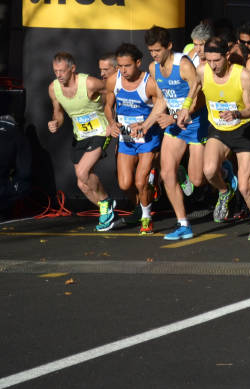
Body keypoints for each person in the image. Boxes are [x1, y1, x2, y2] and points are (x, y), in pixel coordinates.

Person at [191, 36, 250, 240]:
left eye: (217, 60)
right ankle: (224, 191)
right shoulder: (202, 70)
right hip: (219, 129)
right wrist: (184, 110)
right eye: (209, 60)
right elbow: (194, 91)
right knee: (208, 170)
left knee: (245, 186)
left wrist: (237, 113)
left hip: (243, 130)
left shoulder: (243, 75)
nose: (213, 66)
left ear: (226, 57)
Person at [145, 27, 209, 240]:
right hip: (174, 128)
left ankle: (224, 170)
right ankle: (184, 224)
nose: (154, 55)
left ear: (169, 46)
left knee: (198, 180)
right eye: (151, 51)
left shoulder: (182, 64)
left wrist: (182, 112)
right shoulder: (153, 68)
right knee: (166, 174)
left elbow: (197, 90)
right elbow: (163, 99)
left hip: (195, 124)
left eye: (157, 50)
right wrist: (146, 124)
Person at [47, 52, 116, 231]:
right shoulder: (54, 88)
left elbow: (113, 91)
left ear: (72, 69)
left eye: (62, 71)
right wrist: (56, 123)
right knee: (82, 184)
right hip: (80, 135)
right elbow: (59, 112)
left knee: (83, 173)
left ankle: (107, 203)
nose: (58, 75)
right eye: (55, 71)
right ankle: (105, 209)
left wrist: (112, 120)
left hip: (100, 131)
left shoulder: (89, 83)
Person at [104, 43, 167, 235]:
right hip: (126, 139)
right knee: (125, 183)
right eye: (120, 66)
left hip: (148, 138)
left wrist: (145, 124)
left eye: (127, 66)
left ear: (138, 63)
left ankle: (147, 218)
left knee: (140, 181)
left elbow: (160, 108)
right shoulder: (114, 80)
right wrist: (112, 123)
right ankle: (143, 201)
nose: (123, 70)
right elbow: (108, 106)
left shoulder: (149, 83)